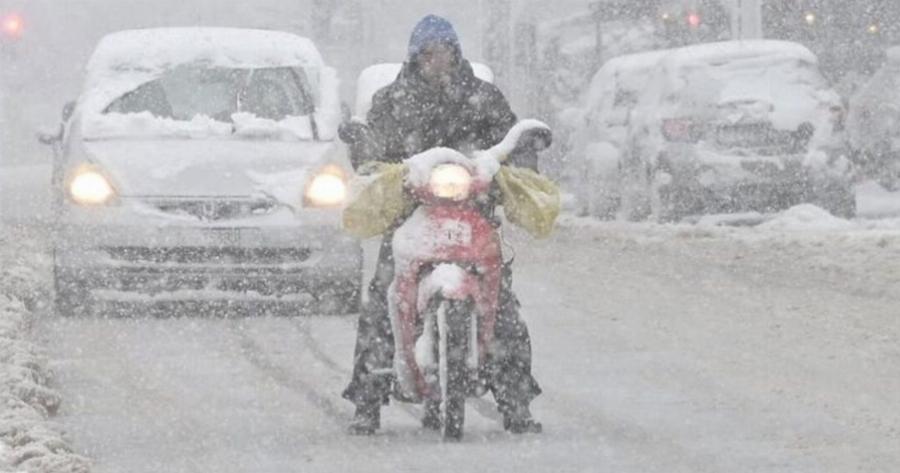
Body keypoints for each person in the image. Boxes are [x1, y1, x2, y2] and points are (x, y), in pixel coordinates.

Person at [341, 14, 543, 435]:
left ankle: (516, 400)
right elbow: (373, 150)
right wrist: (367, 152)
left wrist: (519, 156)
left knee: (502, 304)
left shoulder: (483, 97)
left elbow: (508, 140)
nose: (437, 60)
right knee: (381, 300)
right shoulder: (391, 100)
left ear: (456, 53)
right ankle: (367, 399)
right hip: (408, 218)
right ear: (415, 58)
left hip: (473, 217)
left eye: (445, 52)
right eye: (428, 54)